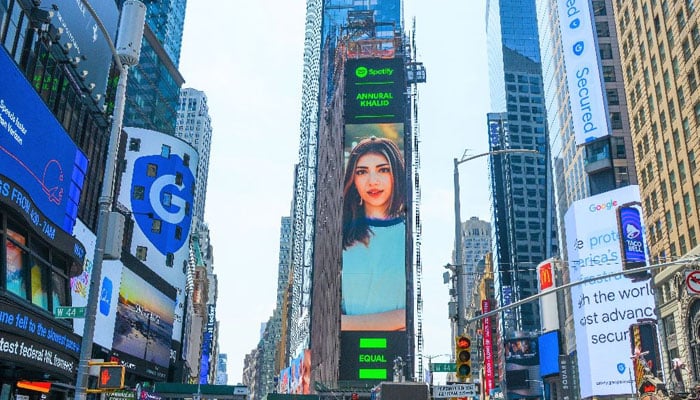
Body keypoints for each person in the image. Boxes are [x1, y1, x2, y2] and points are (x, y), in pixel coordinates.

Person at [341, 136, 406, 331]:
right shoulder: (340, 236)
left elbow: (409, 315)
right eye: (362, 172)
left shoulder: (409, 234)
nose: (373, 181)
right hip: (344, 351)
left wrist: (344, 324)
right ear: (353, 180)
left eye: (383, 170)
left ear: (396, 174)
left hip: (396, 352)